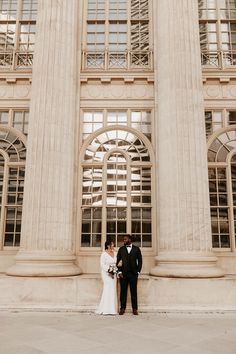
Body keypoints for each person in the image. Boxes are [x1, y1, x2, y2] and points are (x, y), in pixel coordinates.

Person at [116, 234, 142, 315]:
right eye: (123, 239)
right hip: (123, 274)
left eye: (125, 239)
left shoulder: (136, 249)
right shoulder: (121, 249)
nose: (124, 240)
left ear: (130, 240)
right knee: (123, 292)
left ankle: (135, 309)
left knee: (133, 291)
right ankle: (122, 308)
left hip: (133, 274)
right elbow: (118, 261)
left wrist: (138, 271)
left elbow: (140, 261)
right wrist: (119, 272)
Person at [95, 240, 118, 315]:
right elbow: (102, 265)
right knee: (108, 288)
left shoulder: (115, 253)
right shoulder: (104, 254)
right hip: (106, 274)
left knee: (113, 289)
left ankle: (112, 309)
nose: (113, 246)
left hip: (114, 274)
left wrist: (115, 271)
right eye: (112, 244)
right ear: (108, 246)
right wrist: (109, 271)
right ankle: (105, 309)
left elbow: (117, 263)